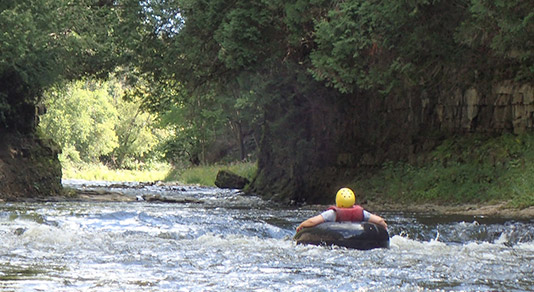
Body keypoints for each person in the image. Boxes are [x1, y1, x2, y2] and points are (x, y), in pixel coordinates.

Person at [296, 187, 387, 232]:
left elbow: (312, 222)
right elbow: (379, 221)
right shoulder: (361, 213)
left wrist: (301, 225)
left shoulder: (332, 214)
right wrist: (384, 227)